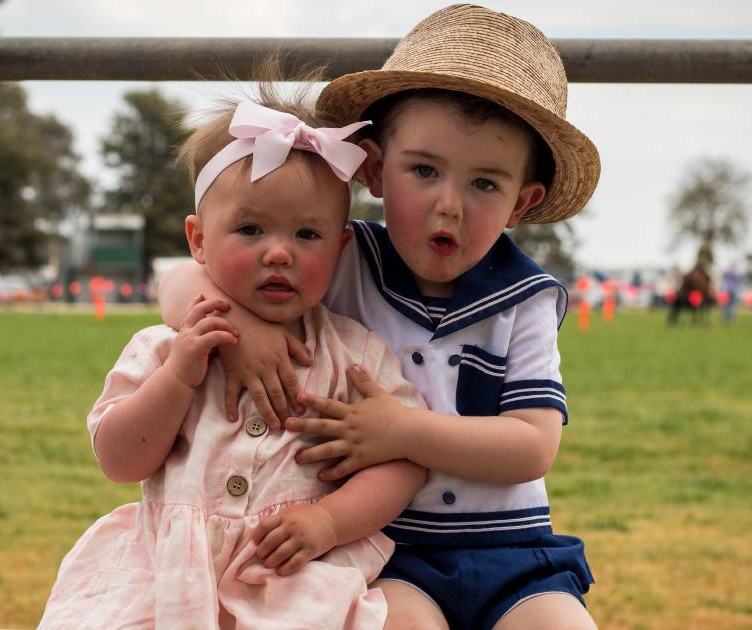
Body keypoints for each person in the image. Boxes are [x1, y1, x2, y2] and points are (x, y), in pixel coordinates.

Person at [159, 6, 600, 629]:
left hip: (513, 551)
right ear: (373, 170)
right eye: (424, 170)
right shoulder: (339, 256)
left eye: (485, 184)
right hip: (381, 547)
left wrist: (403, 432)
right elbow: (178, 282)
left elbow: (532, 445)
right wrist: (240, 331)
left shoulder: (526, 298)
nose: (448, 205)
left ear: (522, 201)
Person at [38, 91, 427, 629]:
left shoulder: (353, 356)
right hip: (165, 576)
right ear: (198, 241)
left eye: (307, 234)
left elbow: (403, 459)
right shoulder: (166, 346)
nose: (279, 252)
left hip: (287, 578)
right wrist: (177, 379)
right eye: (250, 229)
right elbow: (119, 461)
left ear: (339, 253)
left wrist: (329, 522)